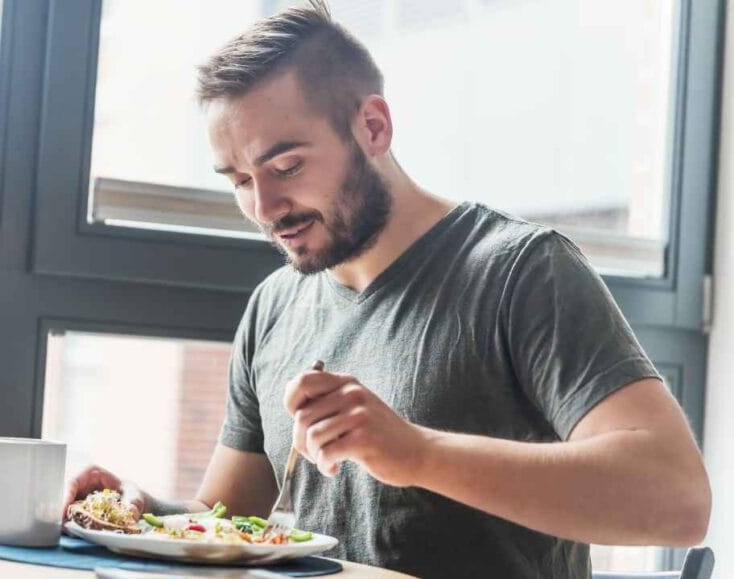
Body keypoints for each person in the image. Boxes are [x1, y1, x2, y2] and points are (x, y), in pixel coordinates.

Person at [63, 1, 711, 576]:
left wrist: (417, 452)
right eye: (238, 179)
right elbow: (227, 518)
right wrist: (144, 513)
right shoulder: (276, 305)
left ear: (373, 127)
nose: (264, 206)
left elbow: (677, 499)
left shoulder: (523, 272)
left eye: (286, 165)